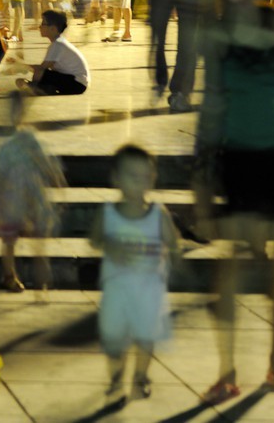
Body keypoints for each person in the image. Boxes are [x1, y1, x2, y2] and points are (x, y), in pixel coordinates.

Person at [194, 0, 274, 405]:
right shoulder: (215, 32)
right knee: (231, 268)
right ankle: (227, 370)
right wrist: (200, 177)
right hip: (234, 154)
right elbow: (211, 104)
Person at [90, 145, 181, 403]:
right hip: (117, 290)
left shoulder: (158, 213)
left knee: (145, 336)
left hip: (149, 289)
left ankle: (140, 375)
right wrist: (109, 245)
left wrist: (171, 250)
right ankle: (116, 377)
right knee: (114, 339)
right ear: (116, 179)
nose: (140, 183)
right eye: (132, 176)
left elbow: (173, 240)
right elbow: (94, 240)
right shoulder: (107, 213)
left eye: (146, 177)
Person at [0, 91, 65, 292]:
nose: (15, 114)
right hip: (10, 197)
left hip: (30, 196)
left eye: (19, 109)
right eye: (12, 110)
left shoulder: (29, 137)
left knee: (38, 239)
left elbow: (44, 161)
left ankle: (42, 277)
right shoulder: (3, 142)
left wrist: (56, 179)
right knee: (9, 240)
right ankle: (9, 276)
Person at [21, 9, 89, 96]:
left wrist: (20, 66)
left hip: (76, 83)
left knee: (36, 74)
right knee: (24, 81)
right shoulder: (58, 43)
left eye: (43, 24)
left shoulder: (57, 45)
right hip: (77, 83)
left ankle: (37, 89)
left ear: (53, 29)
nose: (40, 27)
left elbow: (41, 69)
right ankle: (43, 89)